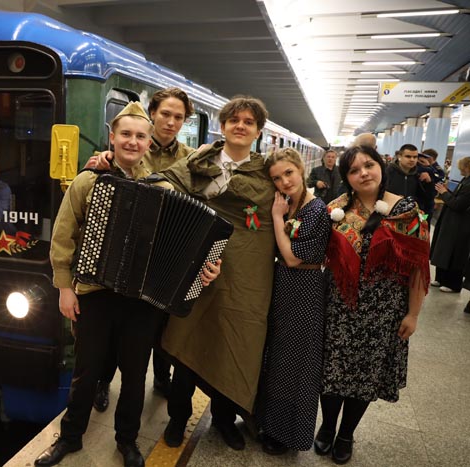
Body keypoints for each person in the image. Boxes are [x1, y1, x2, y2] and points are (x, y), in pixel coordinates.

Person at [34, 102, 219, 467]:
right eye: (125, 135)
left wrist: (205, 269)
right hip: (95, 294)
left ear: (148, 142)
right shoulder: (88, 181)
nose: (132, 142)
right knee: (86, 371)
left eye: (139, 136)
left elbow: (184, 244)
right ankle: (70, 436)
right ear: (112, 138)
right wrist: (65, 288)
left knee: (135, 375)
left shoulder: (163, 187)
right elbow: (63, 237)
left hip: (142, 299)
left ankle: (127, 440)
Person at [160, 95, 276, 451]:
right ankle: (178, 418)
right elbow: (161, 183)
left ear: (258, 132)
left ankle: (225, 420)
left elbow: (291, 200)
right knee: (188, 338)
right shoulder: (198, 162)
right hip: (197, 266)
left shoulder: (267, 173)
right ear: (222, 126)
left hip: (245, 275)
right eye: (234, 120)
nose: (241, 126)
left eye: (249, 122)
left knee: (233, 344)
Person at [316, 145, 429, 465]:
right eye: (354, 170)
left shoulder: (407, 211)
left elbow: (418, 267)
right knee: (332, 371)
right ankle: (327, 426)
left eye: (369, 165)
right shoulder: (335, 209)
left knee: (366, 375)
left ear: (381, 166)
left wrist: (413, 314)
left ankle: (346, 434)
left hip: (384, 310)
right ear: (346, 177)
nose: (363, 173)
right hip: (338, 306)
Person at [88, 87, 196, 411]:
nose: (171, 122)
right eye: (165, 114)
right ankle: (103, 382)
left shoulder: (190, 158)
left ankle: (161, 377)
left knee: (161, 323)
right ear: (153, 113)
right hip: (125, 253)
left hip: (164, 255)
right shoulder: (131, 148)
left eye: (179, 117)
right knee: (115, 329)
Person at [256, 148, 330, 455]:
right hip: (286, 288)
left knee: (296, 363)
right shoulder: (293, 205)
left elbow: (292, 257)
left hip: (305, 290)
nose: (284, 181)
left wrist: (276, 218)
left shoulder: (315, 209)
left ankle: (287, 435)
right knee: (277, 358)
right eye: (277, 178)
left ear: (301, 169)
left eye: (288, 173)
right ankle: (268, 423)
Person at [429, 156, 470, 293]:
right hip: (451, 221)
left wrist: (445, 193)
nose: (459, 169)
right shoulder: (465, 180)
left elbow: (458, 204)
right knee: (444, 249)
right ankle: (441, 278)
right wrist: (447, 192)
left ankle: (453, 283)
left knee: (455, 253)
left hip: (460, 224)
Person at [415, 151, 444, 217]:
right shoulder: (425, 167)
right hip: (423, 201)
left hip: (427, 201)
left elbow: (438, 177)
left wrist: (428, 166)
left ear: (430, 158)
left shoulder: (433, 168)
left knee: (424, 220)